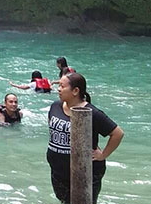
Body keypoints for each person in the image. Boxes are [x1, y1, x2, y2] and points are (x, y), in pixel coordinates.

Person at [47, 72, 124, 203]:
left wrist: (103, 155)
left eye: (62, 86)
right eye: (58, 85)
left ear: (75, 91)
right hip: (58, 169)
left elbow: (117, 133)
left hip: (85, 171)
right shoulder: (56, 106)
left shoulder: (91, 112)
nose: (58, 89)